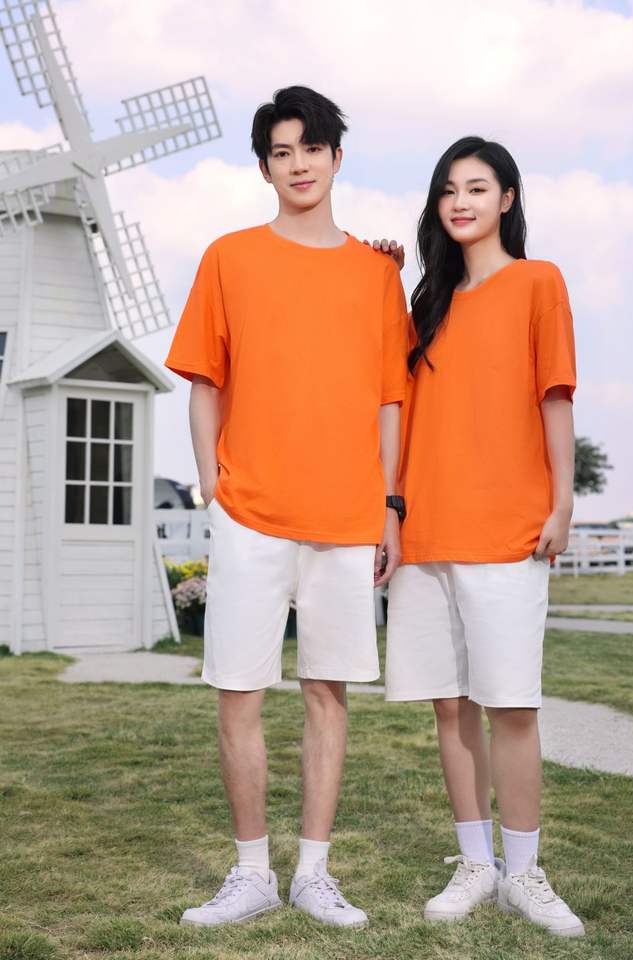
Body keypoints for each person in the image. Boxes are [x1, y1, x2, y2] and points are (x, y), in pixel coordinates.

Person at [164, 86, 408, 928]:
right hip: (249, 511)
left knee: (326, 694)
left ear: (336, 157)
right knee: (238, 693)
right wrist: (212, 483)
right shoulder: (228, 257)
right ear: (264, 167)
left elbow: (390, 401)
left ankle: (312, 873)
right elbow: (204, 382)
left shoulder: (377, 274)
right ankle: (249, 875)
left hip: (345, 516)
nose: (298, 163)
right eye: (280, 151)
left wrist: (389, 508)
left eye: (311, 147)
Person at [383, 136, 584, 937]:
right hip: (427, 530)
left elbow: (554, 396)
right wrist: (382, 276)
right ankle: (475, 864)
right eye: (447, 189)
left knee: (511, 706)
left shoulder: (538, 282)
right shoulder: (425, 306)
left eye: (475, 187)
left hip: (507, 528)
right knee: (449, 706)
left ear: (506, 198)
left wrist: (561, 500)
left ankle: (524, 874)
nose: (459, 201)